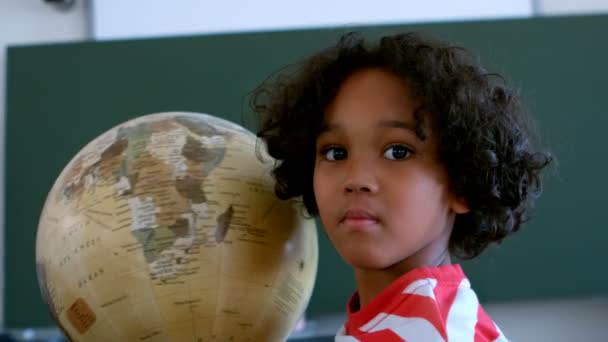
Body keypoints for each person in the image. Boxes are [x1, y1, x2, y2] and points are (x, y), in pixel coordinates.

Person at [252, 31, 552, 341]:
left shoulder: (429, 333)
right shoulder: (403, 320)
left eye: (398, 151)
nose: (356, 179)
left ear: (462, 182)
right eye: (335, 153)